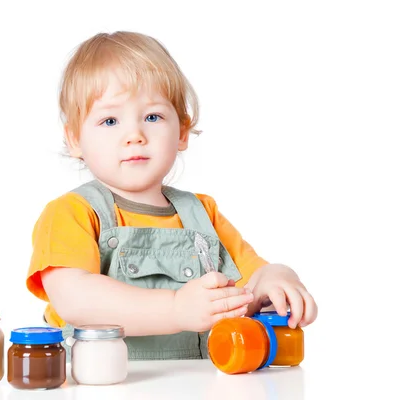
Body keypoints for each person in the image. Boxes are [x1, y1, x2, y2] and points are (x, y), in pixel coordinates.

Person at [25, 31, 317, 360]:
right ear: (75, 139)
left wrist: (278, 278)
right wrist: (176, 309)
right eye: (110, 120)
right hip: (105, 385)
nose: (134, 135)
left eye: (152, 117)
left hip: (199, 386)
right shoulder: (72, 213)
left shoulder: (203, 214)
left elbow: (253, 280)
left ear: (181, 131)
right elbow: (75, 299)